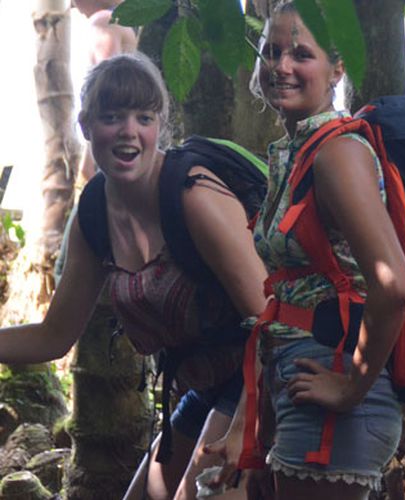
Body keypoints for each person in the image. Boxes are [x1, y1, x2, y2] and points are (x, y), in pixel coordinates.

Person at [0, 52, 267, 500]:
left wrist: (246, 425)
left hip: (265, 375)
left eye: (144, 117)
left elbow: (271, 321)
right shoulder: (94, 214)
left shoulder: (193, 196)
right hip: (204, 385)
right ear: (85, 127)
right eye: (112, 117)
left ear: (159, 126)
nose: (129, 131)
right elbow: (54, 336)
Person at [205, 3, 405, 499]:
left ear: (337, 68)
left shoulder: (337, 153)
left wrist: (351, 386)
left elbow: (394, 284)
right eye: (272, 52)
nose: (281, 67)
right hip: (298, 383)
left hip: (335, 391)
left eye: (301, 54)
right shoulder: (296, 149)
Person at [72, 0, 137, 183]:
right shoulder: (120, 20)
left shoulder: (104, 21)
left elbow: (107, 89)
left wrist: (89, 158)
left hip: (111, 139)